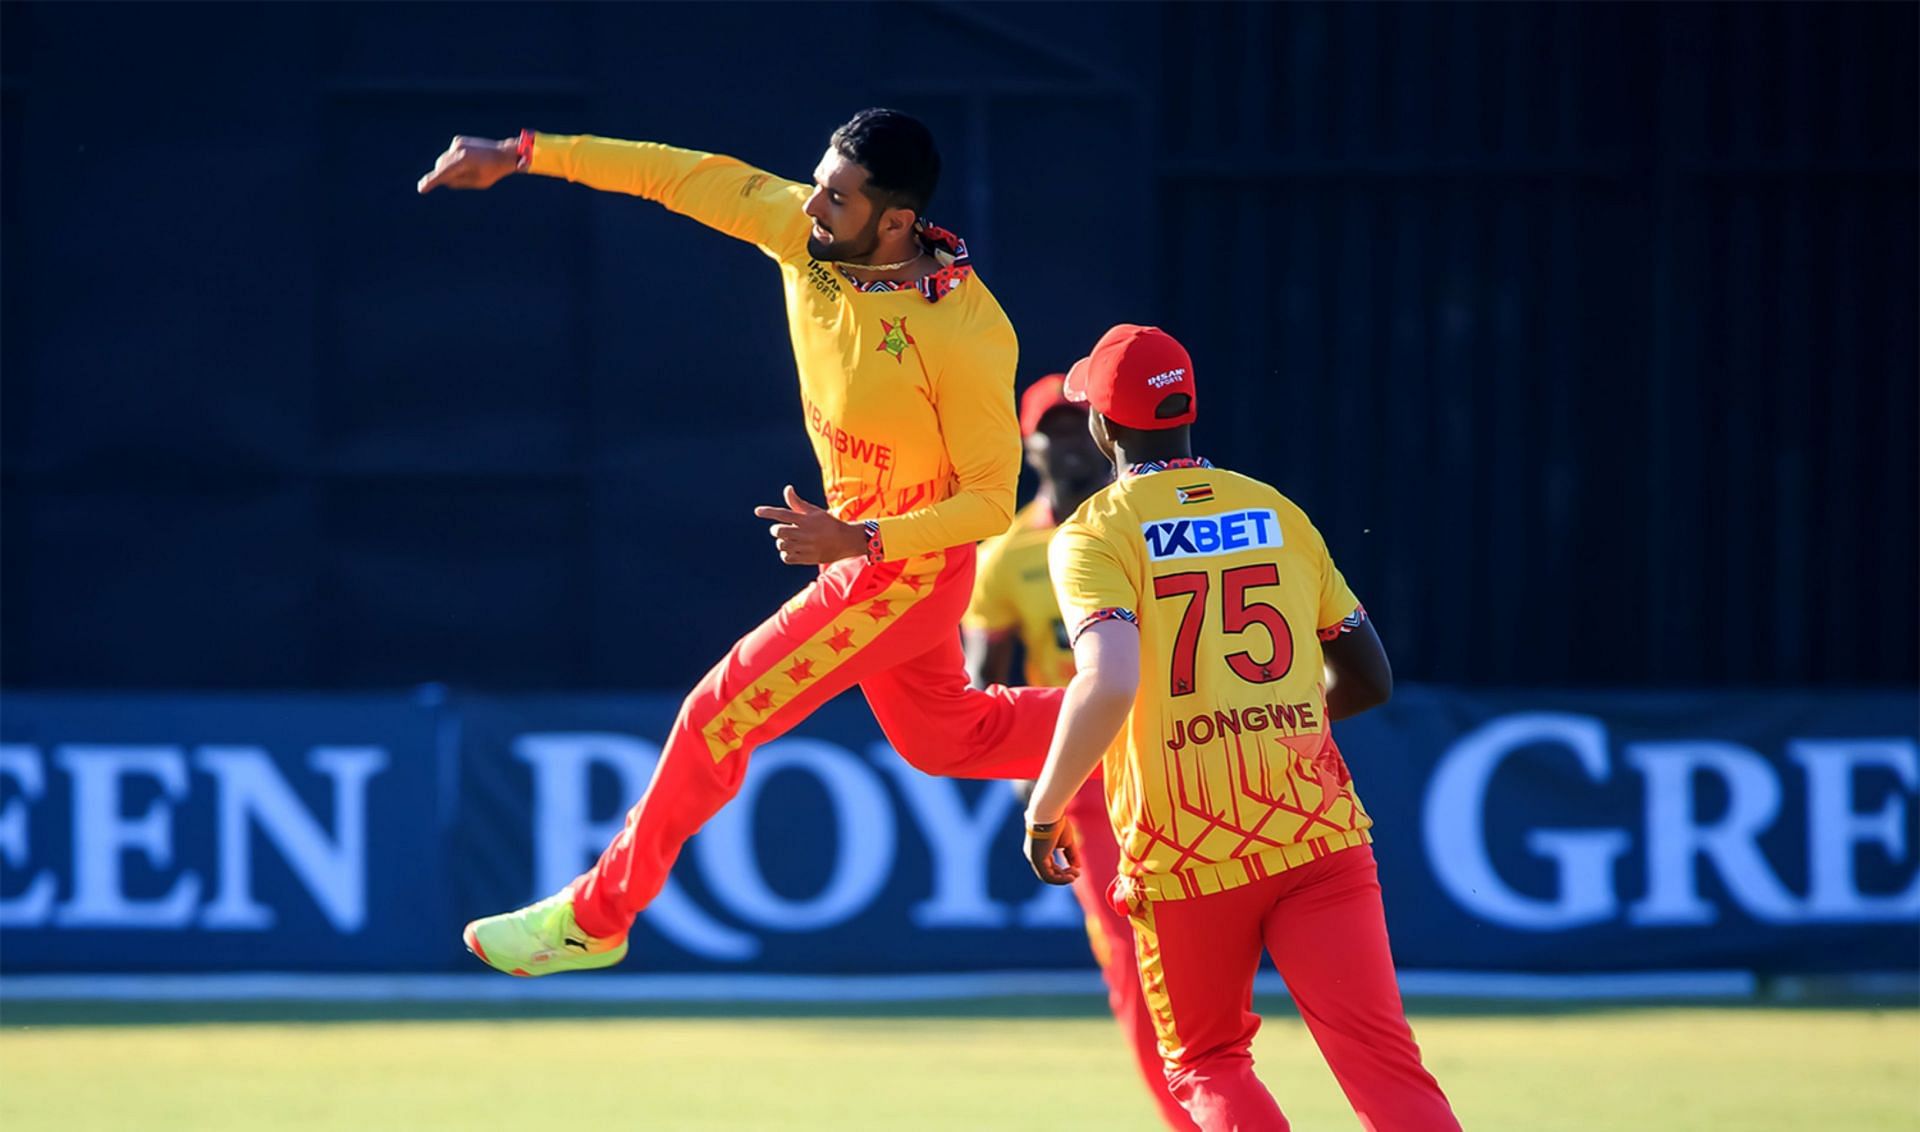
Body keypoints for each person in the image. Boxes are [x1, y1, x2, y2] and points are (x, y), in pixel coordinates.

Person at [417, 108, 1062, 975]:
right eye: (819, 184)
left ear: (897, 221)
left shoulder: (969, 331)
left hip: (899, 567)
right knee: (946, 740)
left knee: (718, 716)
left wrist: (862, 537)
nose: (813, 207)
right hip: (866, 552)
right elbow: (676, 173)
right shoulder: (804, 236)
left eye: (837, 197)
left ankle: (597, 916)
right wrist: (526, 155)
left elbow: (990, 503)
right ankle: (1149, 714)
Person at [1018, 325, 1460, 1131]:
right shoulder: (1276, 510)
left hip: (1187, 851)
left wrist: (1045, 808)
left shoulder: (1094, 531)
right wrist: (1266, 724)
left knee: (1209, 1064)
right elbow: (1369, 676)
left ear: (1103, 428)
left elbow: (1111, 679)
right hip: (1316, 831)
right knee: (1385, 1067)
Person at [962, 376, 1197, 1132]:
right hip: (1093, 785)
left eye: (1077, 429)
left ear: (1104, 434)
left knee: (1211, 948)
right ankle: (1190, 1117)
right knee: (1135, 964)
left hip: (1184, 755)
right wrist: (1037, 796)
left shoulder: (1153, 528)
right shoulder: (1006, 558)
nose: (1067, 446)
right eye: (1050, 432)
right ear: (1026, 447)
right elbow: (984, 694)